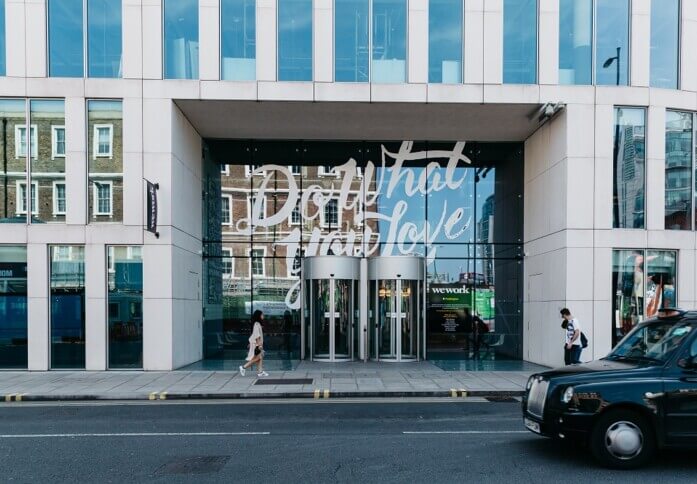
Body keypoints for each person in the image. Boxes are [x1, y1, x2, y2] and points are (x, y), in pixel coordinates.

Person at [239, 309, 268, 377]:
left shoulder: (257, 324)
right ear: (259, 316)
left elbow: (254, 334)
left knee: (260, 357)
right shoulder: (256, 324)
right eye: (262, 314)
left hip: (256, 343)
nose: (263, 316)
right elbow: (256, 335)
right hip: (257, 344)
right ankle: (243, 367)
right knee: (257, 358)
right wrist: (259, 344)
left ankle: (260, 372)